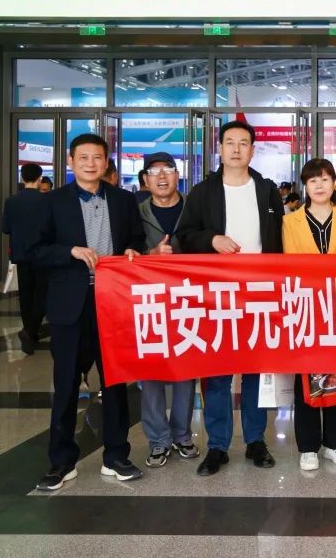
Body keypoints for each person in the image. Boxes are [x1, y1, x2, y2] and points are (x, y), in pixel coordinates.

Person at [28, 134, 144, 490]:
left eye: (97, 157)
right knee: (66, 384)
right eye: (83, 157)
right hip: (70, 305)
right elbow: (33, 250)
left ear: (107, 162)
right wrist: (70, 252)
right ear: (70, 161)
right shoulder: (52, 202)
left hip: (113, 302)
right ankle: (62, 462)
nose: (91, 164)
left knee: (115, 384)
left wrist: (132, 251)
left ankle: (117, 456)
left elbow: (136, 240)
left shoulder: (123, 200)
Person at [175, 120, 284, 476]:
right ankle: (218, 445)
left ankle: (255, 440)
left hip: (259, 292)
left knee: (255, 370)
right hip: (216, 293)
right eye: (230, 143)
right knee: (218, 372)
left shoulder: (267, 190)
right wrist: (212, 239)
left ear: (253, 150)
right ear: (219, 149)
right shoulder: (203, 192)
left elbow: (281, 241)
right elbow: (184, 236)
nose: (236, 149)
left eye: (243, 143)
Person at [282, 157, 336, 471]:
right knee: (306, 375)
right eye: (313, 180)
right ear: (305, 185)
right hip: (306, 306)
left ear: (333, 183)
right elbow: (289, 265)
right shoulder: (291, 222)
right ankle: (308, 446)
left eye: (325, 179)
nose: (319, 185)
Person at [136, 152, 199, 468]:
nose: (162, 176)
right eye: (154, 172)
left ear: (178, 175)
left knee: (186, 369)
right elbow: (124, 251)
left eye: (169, 170)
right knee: (151, 372)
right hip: (149, 302)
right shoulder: (134, 213)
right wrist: (151, 254)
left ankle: (182, 435)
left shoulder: (195, 208)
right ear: (145, 180)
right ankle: (158, 440)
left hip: (188, 300)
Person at [1, 163, 48, 355]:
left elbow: (5, 229)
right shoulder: (47, 201)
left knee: (26, 295)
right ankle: (30, 331)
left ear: (22, 178)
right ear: (40, 179)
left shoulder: (11, 201)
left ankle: (30, 333)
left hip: (20, 254)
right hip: (43, 254)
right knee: (43, 294)